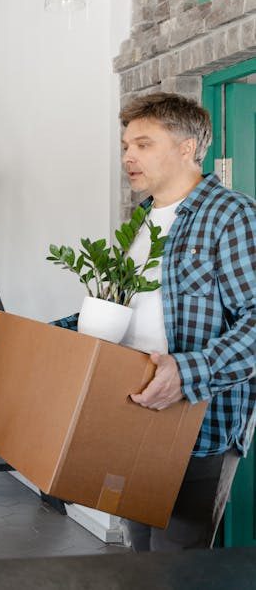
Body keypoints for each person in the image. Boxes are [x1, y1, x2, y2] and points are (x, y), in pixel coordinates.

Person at [56, 92, 255, 550]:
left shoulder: (232, 216)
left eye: (143, 144)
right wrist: (49, 336)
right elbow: (126, 309)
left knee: (176, 569)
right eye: (126, 145)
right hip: (133, 414)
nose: (128, 156)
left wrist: (186, 373)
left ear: (187, 147)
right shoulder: (142, 221)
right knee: (138, 559)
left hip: (199, 425)